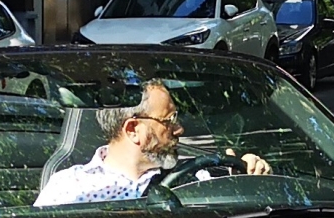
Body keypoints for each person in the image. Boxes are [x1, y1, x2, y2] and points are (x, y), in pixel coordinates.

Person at [34, 81, 268, 206]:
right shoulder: (70, 188)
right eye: (170, 120)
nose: (179, 129)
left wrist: (247, 177)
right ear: (134, 130)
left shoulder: (195, 179)